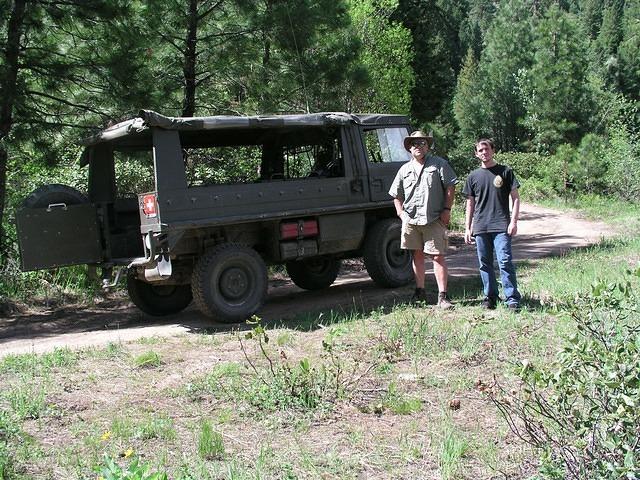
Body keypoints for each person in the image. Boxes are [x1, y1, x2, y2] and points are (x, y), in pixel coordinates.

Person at [388, 130, 458, 309]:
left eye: (422, 143)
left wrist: (447, 210)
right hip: (411, 221)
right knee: (417, 256)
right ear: (409, 148)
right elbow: (396, 194)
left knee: (437, 256)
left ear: (427, 146)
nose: (418, 146)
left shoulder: (439, 164)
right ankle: (420, 293)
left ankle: (443, 296)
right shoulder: (404, 169)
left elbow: (450, 186)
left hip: (433, 218)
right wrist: (400, 213)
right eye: (414, 144)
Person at [463, 138, 522, 310]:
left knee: (505, 261)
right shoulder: (473, 177)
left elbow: (516, 198)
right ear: (476, 154)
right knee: (485, 263)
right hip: (481, 227)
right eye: (480, 150)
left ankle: (512, 298)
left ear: (493, 150)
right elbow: (470, 204)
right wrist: (468, 228)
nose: (484, 152)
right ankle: (490, 297)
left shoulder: (505, 171)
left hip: (501, 225)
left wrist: (514, 221)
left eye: (486, 149)